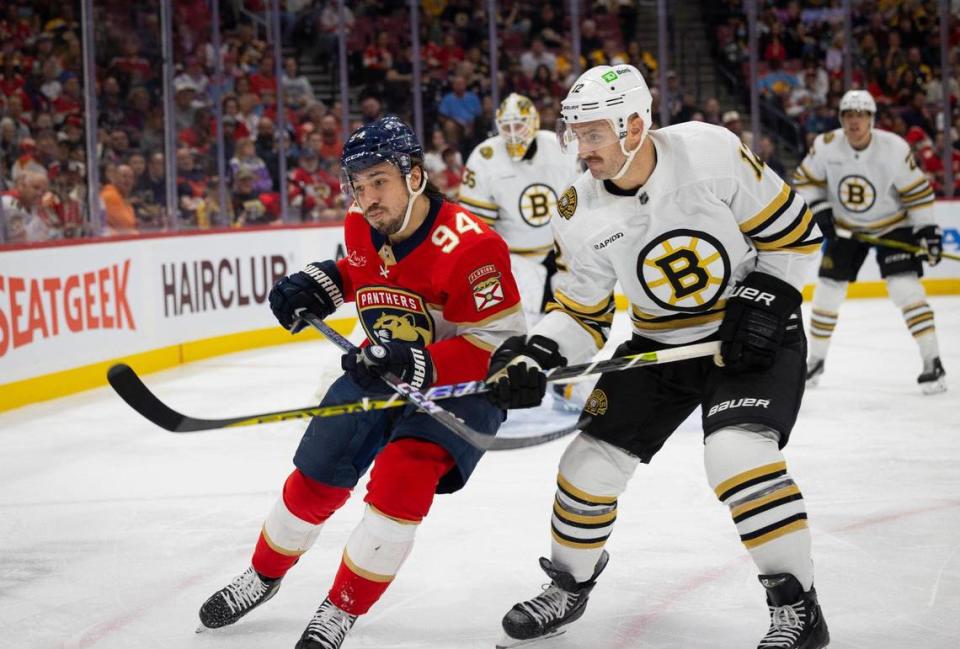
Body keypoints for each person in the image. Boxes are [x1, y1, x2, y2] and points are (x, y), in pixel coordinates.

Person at [485, 64, 829, 649]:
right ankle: (569, 586)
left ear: (636, 124)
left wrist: (767, 297)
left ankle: (799, 610)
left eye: (593, 134)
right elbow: (582, 313)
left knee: (737, 456)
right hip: (660, 346)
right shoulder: (576, 207)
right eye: (574, 133)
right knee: (586, 467)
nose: (580, 149)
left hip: (750, 338)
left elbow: (795, 237)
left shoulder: (711, 153)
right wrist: (538, 353)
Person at [197, 116, 525, 648]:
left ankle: (339, 609)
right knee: (316, 476)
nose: (366, 196)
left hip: (457, 391)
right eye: (357, 183)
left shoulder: (472, 248)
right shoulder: (361, 221)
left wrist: (415, 364)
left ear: (414, 177)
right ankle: (261, 576)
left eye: (379, 181)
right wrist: (320, 285)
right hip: (380, 367)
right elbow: (360, 270)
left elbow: (498, 349)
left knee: (400, 483)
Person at [793, 89, 945, 394]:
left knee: (906, 290)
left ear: (872, 119)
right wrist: (821, 212)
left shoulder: (893, 147)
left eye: (861, 115)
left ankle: (933, 362)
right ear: (841, 119)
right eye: (848, 115)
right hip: (847, 228)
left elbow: (916, 193)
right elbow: (806, 181)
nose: (854, 121)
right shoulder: (825, 146)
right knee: (826, 294)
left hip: (892, 226)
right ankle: (816, 361)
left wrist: (927, 231)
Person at [459, 93, 580, 326]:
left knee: (568, 321)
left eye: (519, 125)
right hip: (514, 258)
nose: (513, 132)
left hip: (560, 252)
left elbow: (577, 202)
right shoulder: (485, 157)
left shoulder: (558, 146)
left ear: (532, 122)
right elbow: (478, 227)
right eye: (507, 126)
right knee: (523, 325)